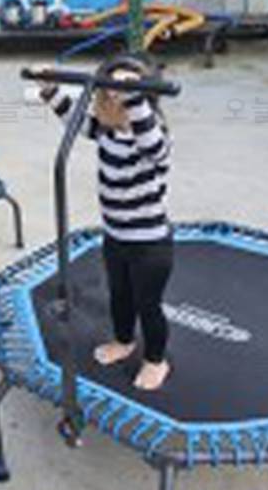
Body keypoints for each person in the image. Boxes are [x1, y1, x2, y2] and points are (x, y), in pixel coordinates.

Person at [35, 52, 173, 391]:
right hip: (115, 237)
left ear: (144, 100)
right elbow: (76, 120)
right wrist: (50, 89)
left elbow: (151, 142)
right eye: (109, 96)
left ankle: (156, 360)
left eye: (123, 97)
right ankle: (124, 341)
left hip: (150, 244)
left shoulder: (153, 137)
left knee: (148, 305)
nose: (115, 102)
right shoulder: (107, 132)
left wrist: (132, 95)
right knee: (120, 296)